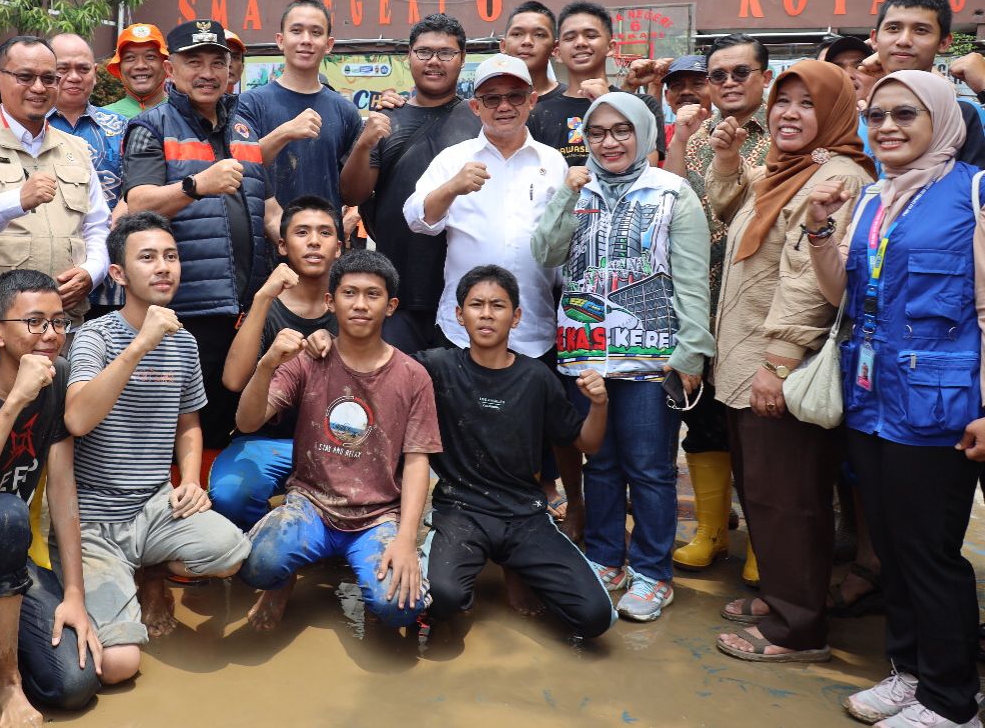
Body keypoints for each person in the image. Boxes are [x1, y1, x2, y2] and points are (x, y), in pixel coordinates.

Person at [805, 72, 984, 728]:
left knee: (930, 553)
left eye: (904, 114)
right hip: (873, 398)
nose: (887, 127)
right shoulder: (876, 198)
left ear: (941, 118)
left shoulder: (974, 192)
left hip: (942, 408)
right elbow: (840, 296)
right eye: (875, 115)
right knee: (892, 546)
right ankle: (908, 672)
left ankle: (952, 699)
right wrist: (822, 229)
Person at [708, 59, 874, 663]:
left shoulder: (837, 177)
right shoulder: (788, 171)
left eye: (807, 104)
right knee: (764, 490)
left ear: (833, 111)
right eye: (783, 102)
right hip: (744, 357)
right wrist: (727, 162)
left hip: (783, 364)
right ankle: (782, 595)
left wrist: (777, 363)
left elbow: (807, 280)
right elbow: (729, 212)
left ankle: (798, 628)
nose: (790, 113)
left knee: (793, 497)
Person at [530, 92, 713, 622]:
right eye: (598, 132)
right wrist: (567, 196)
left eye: (622, 131)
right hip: (585, 354)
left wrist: (692, 351)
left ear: (644, 134)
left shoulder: (672, 193)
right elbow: (545, 254)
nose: (609, 142)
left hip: (652, 357)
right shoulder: (573, 187)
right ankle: (606, 558)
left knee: (652, 469)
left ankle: (654, 573)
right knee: (600, 464)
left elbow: (692, 279)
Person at [63, 212, 250, 682]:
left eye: (171, 256)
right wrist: (139, 344)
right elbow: (77, 417)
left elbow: (189, 423)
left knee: (230, 551)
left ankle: (149, 575)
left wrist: (189, 481)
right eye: (147, 258)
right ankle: (109, 579)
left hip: (153, 506)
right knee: (119, 668)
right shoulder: (94, 336)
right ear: (120, 275)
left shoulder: (183, 342)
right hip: (96, 519)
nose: (163, 267)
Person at [234, 250, 442, 633]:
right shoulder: (308, 360)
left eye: (372, 295)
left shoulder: (413, 376)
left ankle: (374, 589)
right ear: (331, 301)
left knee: (401, 607)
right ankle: (283, 583)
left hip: (376, 517)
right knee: (257, 565)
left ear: (391, 305)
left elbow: (416, 462)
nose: (360, 304)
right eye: (349, 293)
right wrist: (268, 363)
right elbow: (247, 422)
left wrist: (406, 541)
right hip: (309, 504)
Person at [0, 270, 100, 722]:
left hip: (7, 559)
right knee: (5, 513)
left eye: (59, 323)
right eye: (34, 323)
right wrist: (14, 404)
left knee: (73, 685)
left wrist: (74, 595)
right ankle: (3, 682)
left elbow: (63, 491)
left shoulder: (59, 378)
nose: (50, 336)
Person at [418, 265, 612, 637]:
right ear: (460, 315)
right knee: (440, 598)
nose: (487, 314)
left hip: (525, 514)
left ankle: (517, 566)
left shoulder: (537, 378)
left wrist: (599, 405)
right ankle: (467, 574)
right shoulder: (437, 367)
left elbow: (586, 443)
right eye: (476, 305)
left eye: (498, 305)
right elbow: (380, 364)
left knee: (594, 617)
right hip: (461, 511)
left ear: (517, 316)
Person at [122, 19, 281, 448]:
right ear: (171, 69)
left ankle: (218, 506)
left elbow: (263, 202)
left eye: (218, 62)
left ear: (231, 69)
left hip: (245, 307)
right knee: (183, 424)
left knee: (233, 417)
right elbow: (137, 204)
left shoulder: (243, 125)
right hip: (186, 311)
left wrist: (291, 232)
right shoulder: (151, 126)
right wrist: (196, 185)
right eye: (194, 62)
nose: (207, 72)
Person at [664, 32, 773, 576]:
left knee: (759, 430)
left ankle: (763, 542)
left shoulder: (789, 133)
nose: (729, 83)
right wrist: (684, 140)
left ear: (764, 78)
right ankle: (711, 532)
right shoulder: (699, 135)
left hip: (758, 308)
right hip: (699, 303)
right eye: (719, 75)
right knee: (703, 422)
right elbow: (670, 197)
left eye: (740, 73)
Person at [0, 35, 109, 323]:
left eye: (49, 78)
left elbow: (97, 226)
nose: (38, 88)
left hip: (63, 323)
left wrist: (92, 272)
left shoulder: (76, 149)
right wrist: (16, 201)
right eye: (25, 77)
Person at [402, 54, 565, 358]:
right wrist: (452, 187)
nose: (504, 107)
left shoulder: (553, 162)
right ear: (476, 107)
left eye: (515, 96)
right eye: (492, 99)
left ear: (531, 101)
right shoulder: (454, 159)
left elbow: (565, 241)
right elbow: (416, 218)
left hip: (533, 327)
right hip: (463, 331)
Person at [340, 13, 480, 353]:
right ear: (409, 56)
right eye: (424, 52)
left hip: (466, 295)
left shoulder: (479, 120)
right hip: (397, 290)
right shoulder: (387, 119)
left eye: (445, 53)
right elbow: (353, 194)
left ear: (462, 58)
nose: (434, 61)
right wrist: (364, 142)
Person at [210, 196, 342, 529]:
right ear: (282, 246)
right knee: (229, 495)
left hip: (336, 442)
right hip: (264, 441)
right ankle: (272, 534)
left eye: (324, 233)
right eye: (302, 232)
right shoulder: (266, 303)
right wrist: (263, 297)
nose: (313, 241)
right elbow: (233, 381)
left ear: (339, 247)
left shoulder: (352, 306)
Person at [235, 0, 362, 209]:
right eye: (296, 31)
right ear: (280, 40)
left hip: (324, 237)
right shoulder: (249, 104)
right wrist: (284, 133)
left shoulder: (346, 111)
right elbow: (238, 169)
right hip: (262, 236)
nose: (306, 40)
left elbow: (352, 191)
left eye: (316, 32)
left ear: (329, 44)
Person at [527, 0, 667, 166]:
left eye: (591, 36)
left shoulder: (642, 105)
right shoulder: (538, 113)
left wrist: (608, 103)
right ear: (557, 52)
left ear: (611, 47)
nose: (580, 43)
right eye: (570, 37)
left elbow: (648, 168)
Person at [47, 32, 129, 312]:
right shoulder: (27, 128)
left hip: (113, 277)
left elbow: (137, 189)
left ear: (95, 73)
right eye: (62, 69)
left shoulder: (123, 127)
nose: (73, 77)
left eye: (83, 69)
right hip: (46, 275)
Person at [862, 0, 985, 169]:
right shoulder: (848, 116)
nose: (903, 40)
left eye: (920, 30)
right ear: (875, 38)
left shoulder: (963, 114)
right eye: (893, 28)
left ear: (944, 42)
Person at [499, 0, 563, 103]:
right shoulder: (486, 103)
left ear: (554, 48)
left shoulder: (576, 101)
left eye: (539, 35)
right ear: (503, 45)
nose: (527, 42)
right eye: (517, 34)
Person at [103, 24, 168, 118]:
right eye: (129, 58)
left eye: (150, 56)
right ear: (119, 68)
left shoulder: (187, 116)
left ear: (166, 65)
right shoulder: (102, 119)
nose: (140, 65)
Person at [660, 55, 711, 146]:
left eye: (697, 84)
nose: (686, 91)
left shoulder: (726, 132)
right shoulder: (659, 137)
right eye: (677, 85)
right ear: (667, 96)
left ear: (714, 90)